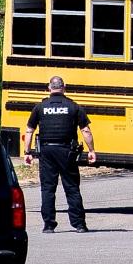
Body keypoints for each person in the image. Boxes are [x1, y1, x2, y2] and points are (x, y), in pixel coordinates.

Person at [22, 76, 96, 233]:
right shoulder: (73, 106)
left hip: (47, 152)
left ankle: (49, 225)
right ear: (64, 87)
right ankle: (79, 225)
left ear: (49, 87)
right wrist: (91, 150)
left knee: (48, 188)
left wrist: (27, 152)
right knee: (72, 188)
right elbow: (86, 131)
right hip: (67, 152)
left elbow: (29, 130)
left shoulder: (40, 107)